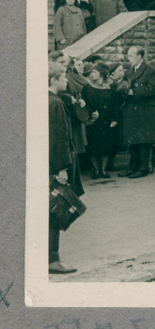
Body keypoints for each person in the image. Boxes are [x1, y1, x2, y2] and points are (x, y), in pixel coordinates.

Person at [49, 61, 83, 274]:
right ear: (53, 80)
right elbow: (58, 138)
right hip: (55, 167)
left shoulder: (48, 100)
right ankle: (52, 258)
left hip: (46, 164)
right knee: (55, 209)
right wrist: (62, 168)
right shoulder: (55, 103)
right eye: (63, 76)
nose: (67, 79)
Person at [120, 46, 155, 178]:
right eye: (128, 55)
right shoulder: (129, 70)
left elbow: (153, 89)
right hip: (133, 110)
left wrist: (134, 92)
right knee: (133, 141)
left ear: (140, 56)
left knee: (144, 142)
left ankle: (143, 168)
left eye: (131, 55)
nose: (129, 58)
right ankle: (132, 167)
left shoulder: (150, 71)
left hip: (145, 111)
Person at [81, 62, 120, 179]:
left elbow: (116, 105)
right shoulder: (87, 88)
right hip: (94, 121)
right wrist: (90, 115)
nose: (92, 74)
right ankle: (96, 170)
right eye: (92, 72)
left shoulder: (111, 87)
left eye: (95, 71)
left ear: (102, 73)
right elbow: (85, 104)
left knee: (106, 145)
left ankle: (103, 169)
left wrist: (114, 119)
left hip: (107, 120)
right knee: (93, 146)